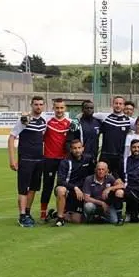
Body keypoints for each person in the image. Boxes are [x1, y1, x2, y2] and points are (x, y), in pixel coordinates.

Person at [8, 96, 47, 227]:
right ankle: (22, 216)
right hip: (25, 160)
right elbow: (11, 138)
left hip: (39, 160)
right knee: (23, 189)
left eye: (41, 104)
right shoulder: (25, 120)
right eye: (36, 104)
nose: (38, 107)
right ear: (31, 105)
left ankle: (28, 213)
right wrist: (13, 159)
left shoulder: (43, 121)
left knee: (34, 188)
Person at [40, 98, 71, 222]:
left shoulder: (70, 123)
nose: (59, 110)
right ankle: (43, 213)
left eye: (61, 108)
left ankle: (63, 211)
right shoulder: (47, 123)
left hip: (64, 161)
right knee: (47, 186)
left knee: (64, 187)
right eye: (57, 108)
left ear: (65, 109)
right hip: (49, 159)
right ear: (53, 108)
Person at [53, 139, 94, 226]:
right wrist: (75, 188)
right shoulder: (65, 162)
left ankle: (55, 213)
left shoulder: (88, 159)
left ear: (83, 148)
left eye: (79, 148)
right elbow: (60, 181)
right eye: (74, 148)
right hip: (67, 190)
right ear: (71, 149)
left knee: (78, 220)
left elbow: (93, 174)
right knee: (61, 190)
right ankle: (60, 218)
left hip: (80, 192)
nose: (77, 150)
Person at [94, 95, 133, 178]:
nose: (118, 105)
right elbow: (89, 114)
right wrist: (76, 119)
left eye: (120, 103)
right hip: (105, 155)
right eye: (116, 103)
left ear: (123, 106)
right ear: (112, 104)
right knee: (101, 179)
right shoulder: (104, 116)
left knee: (119, 180)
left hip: (120, 156)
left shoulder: (129, 120)